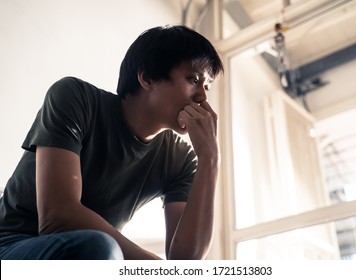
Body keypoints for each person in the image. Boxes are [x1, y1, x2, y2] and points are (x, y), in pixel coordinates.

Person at [0, 25, 224, 260]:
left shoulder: (180, 160)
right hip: (12, 245)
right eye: (194, 79)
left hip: (89, 260)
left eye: (207, 86)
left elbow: (185, 264)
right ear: (147, 77)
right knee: (99, 248)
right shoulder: (76, 98)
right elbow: (57, 219)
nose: (203, 97)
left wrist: (210, 159)